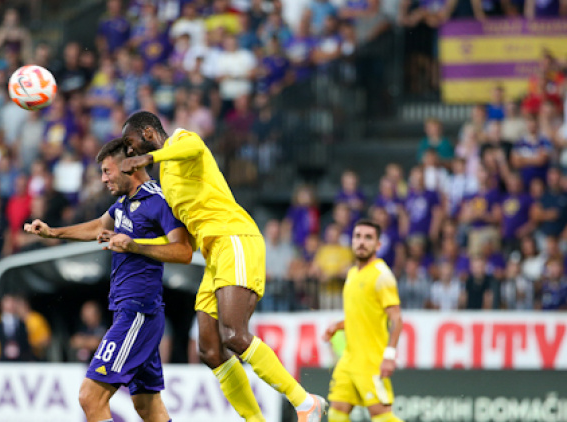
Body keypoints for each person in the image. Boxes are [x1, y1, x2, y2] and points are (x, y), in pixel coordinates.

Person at [120, 111, 326, 422]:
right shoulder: (167, 179)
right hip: (213, 255)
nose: (129, 150)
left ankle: (305, 401)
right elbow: (184, 246)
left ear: (148, 132)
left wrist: (147, 160)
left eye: (130, 142)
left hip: (235, 239)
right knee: (210, 350)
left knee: (234, 334)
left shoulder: (181, 140)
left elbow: (195, 149)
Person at [24, 138, 192, 422]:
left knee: (90, 396)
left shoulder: (157, 200)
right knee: (148, 409)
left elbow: (184, 251)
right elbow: (98, 227)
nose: (103, 179)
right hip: (130, 313)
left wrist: (135, 246)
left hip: (138, 313)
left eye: (107, 171)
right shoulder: (124, 203)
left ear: (129, 167)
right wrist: (53, 233)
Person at [322, 219, 404, 422]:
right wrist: (338, 326)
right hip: (349, 359)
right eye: (357, 236)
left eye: (368, 238)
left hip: (371, 361)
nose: (361, 242)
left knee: (381, 416)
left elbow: (396, 318)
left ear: (378, 245)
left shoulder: (382, 276)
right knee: (336, 412)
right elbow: (360, 315)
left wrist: (389, 355)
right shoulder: (352, 274)